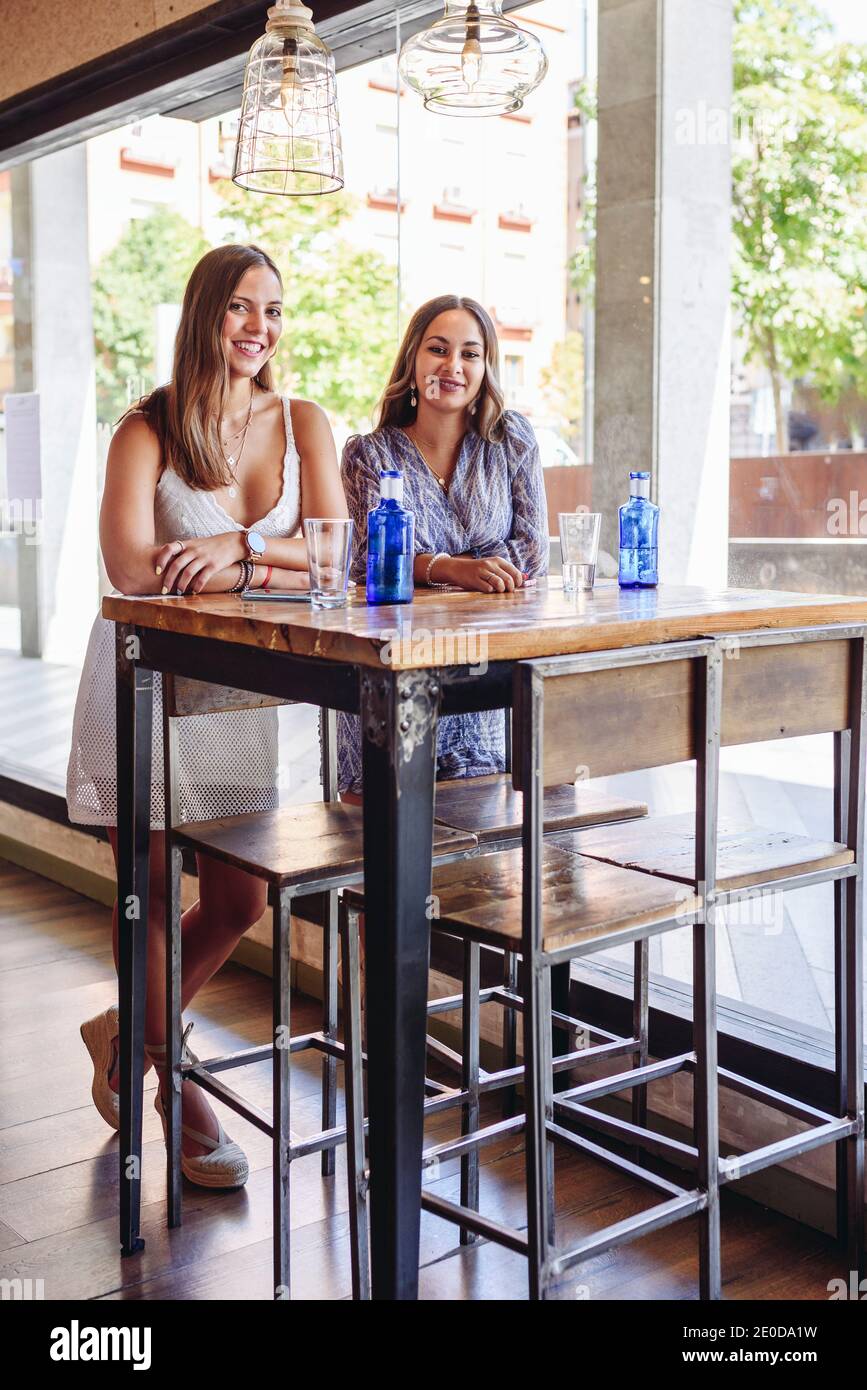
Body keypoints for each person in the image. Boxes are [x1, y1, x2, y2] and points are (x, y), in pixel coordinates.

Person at [69, 243, 347, 1187]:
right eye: (238, 308)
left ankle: (130, 1031)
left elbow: (336, 555)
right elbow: (129, 569)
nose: (257, 328)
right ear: (202, 315)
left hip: (240, 698)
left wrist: (241, 553)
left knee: (238, 897)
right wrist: (257, 561)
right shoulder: (143, 429)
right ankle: (175, 1081)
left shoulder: (304, 421)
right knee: (144, 884)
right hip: (144, 684)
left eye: (271, 310)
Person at [337, 293, 549, 797]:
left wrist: (413, 567)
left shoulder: (511, 440)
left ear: (486, 368)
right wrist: (453, 570)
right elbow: (366, 565)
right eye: (438, 349)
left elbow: (531, 551)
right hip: (390, 666)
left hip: (483, 669)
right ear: (413, 360)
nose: (453, 366)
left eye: (471, 354)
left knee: (475, 852)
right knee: (378, 848)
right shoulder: (370, 453)